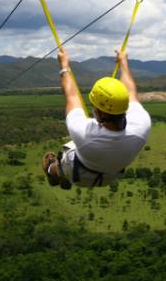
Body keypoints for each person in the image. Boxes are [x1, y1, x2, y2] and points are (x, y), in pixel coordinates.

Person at [42, 48, 151, 188]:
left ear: (100, 112)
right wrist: (123, 64)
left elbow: (72, 96)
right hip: (109, 176)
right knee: (78, 147)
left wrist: (64, 66)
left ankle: (53, 173)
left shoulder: (84, 133)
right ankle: (62, 175)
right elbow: (130, 91)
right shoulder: (141, 125)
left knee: (64, 159)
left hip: (78, 174)